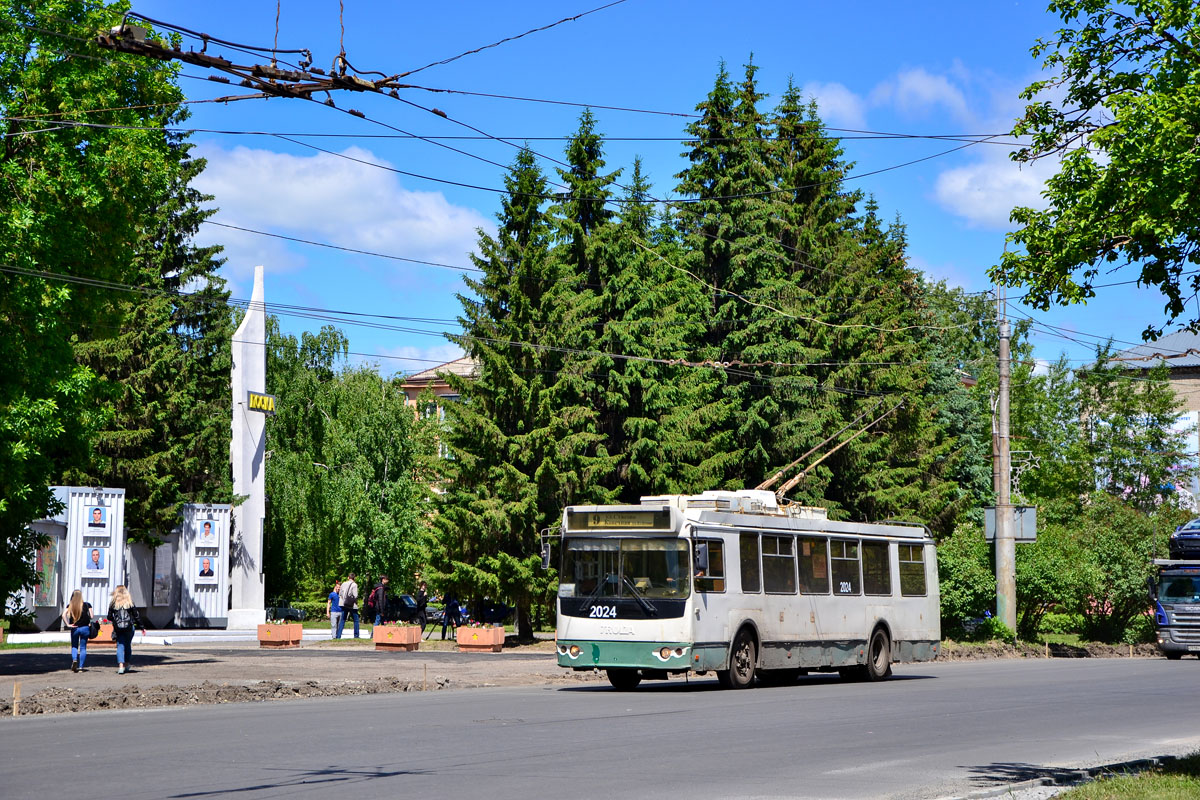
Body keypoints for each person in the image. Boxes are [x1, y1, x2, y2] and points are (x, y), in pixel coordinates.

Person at [107, 585, 146, 675]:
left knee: (120, 645)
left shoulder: (113, 603)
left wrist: (115, 621)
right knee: (127, 645)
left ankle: (121, 666)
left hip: (118, 628)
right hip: (129, 627)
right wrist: (142, 627)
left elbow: (109, 617)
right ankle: (127, 664)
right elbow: (136, 616)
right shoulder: (130, 602)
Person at [62, 589, 92, 672]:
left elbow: (63, 615)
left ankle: (74, 659)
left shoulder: (70, 606)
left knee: (74, 646)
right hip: (85, 628)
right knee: (83, 648)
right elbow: (92, 616)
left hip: (75, 628)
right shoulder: (87, 605)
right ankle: (81, 667)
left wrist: (68, 624)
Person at [337, 572, 359, 639]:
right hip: (351, 604)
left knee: (343, 619)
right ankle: (356, 635)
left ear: (348, 577)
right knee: (356, 620)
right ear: (354, 578)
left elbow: (340, 593)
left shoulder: (343, 583)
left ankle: (339, 635)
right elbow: (355, 595)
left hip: (344, 604)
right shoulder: (354, 585)